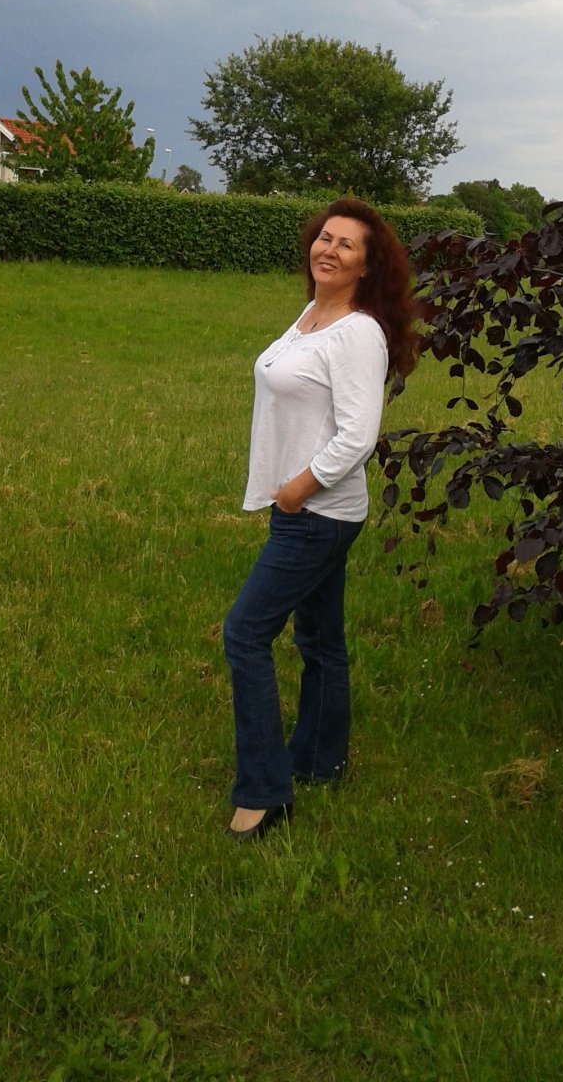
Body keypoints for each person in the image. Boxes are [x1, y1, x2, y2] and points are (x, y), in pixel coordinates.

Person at [223, 198, 420, 842]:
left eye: (346, 245)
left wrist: (295, 491)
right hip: (311, 511)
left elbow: (358, 436)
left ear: (367, 266)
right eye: (324, 238)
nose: (329, 250)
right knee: (320, 641)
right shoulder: (313, 314)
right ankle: (319, 762)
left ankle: (263, 794)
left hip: (316, 513)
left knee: (244, 634)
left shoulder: (357, 332)